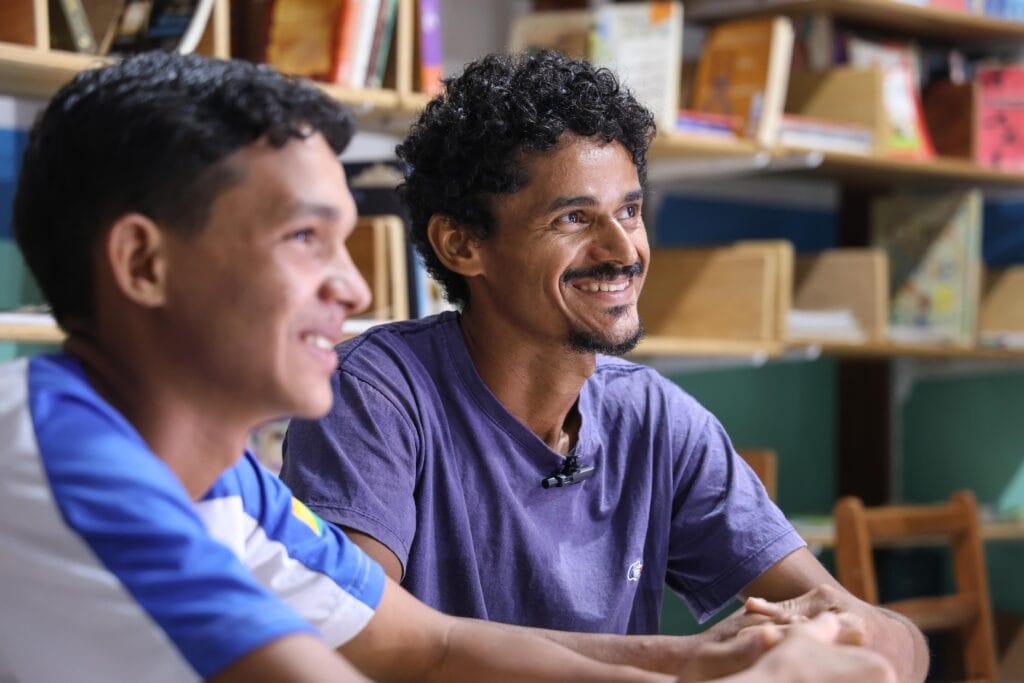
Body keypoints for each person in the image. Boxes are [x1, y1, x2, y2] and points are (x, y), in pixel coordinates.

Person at [0, 50, 718, 683]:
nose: (355, 289)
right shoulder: (58, 459)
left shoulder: (222, 474)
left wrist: (713, 663)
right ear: (143, 263)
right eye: (304, 237)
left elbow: (428, 645)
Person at [281, 50, 929, 682]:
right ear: (462, 243)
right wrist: (688, 658)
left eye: (630, 211)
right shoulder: (374, 395)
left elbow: (896, 646)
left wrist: (845, 632)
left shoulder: (655, 417)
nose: (624, 251)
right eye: (574, 217)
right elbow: (356, 639)